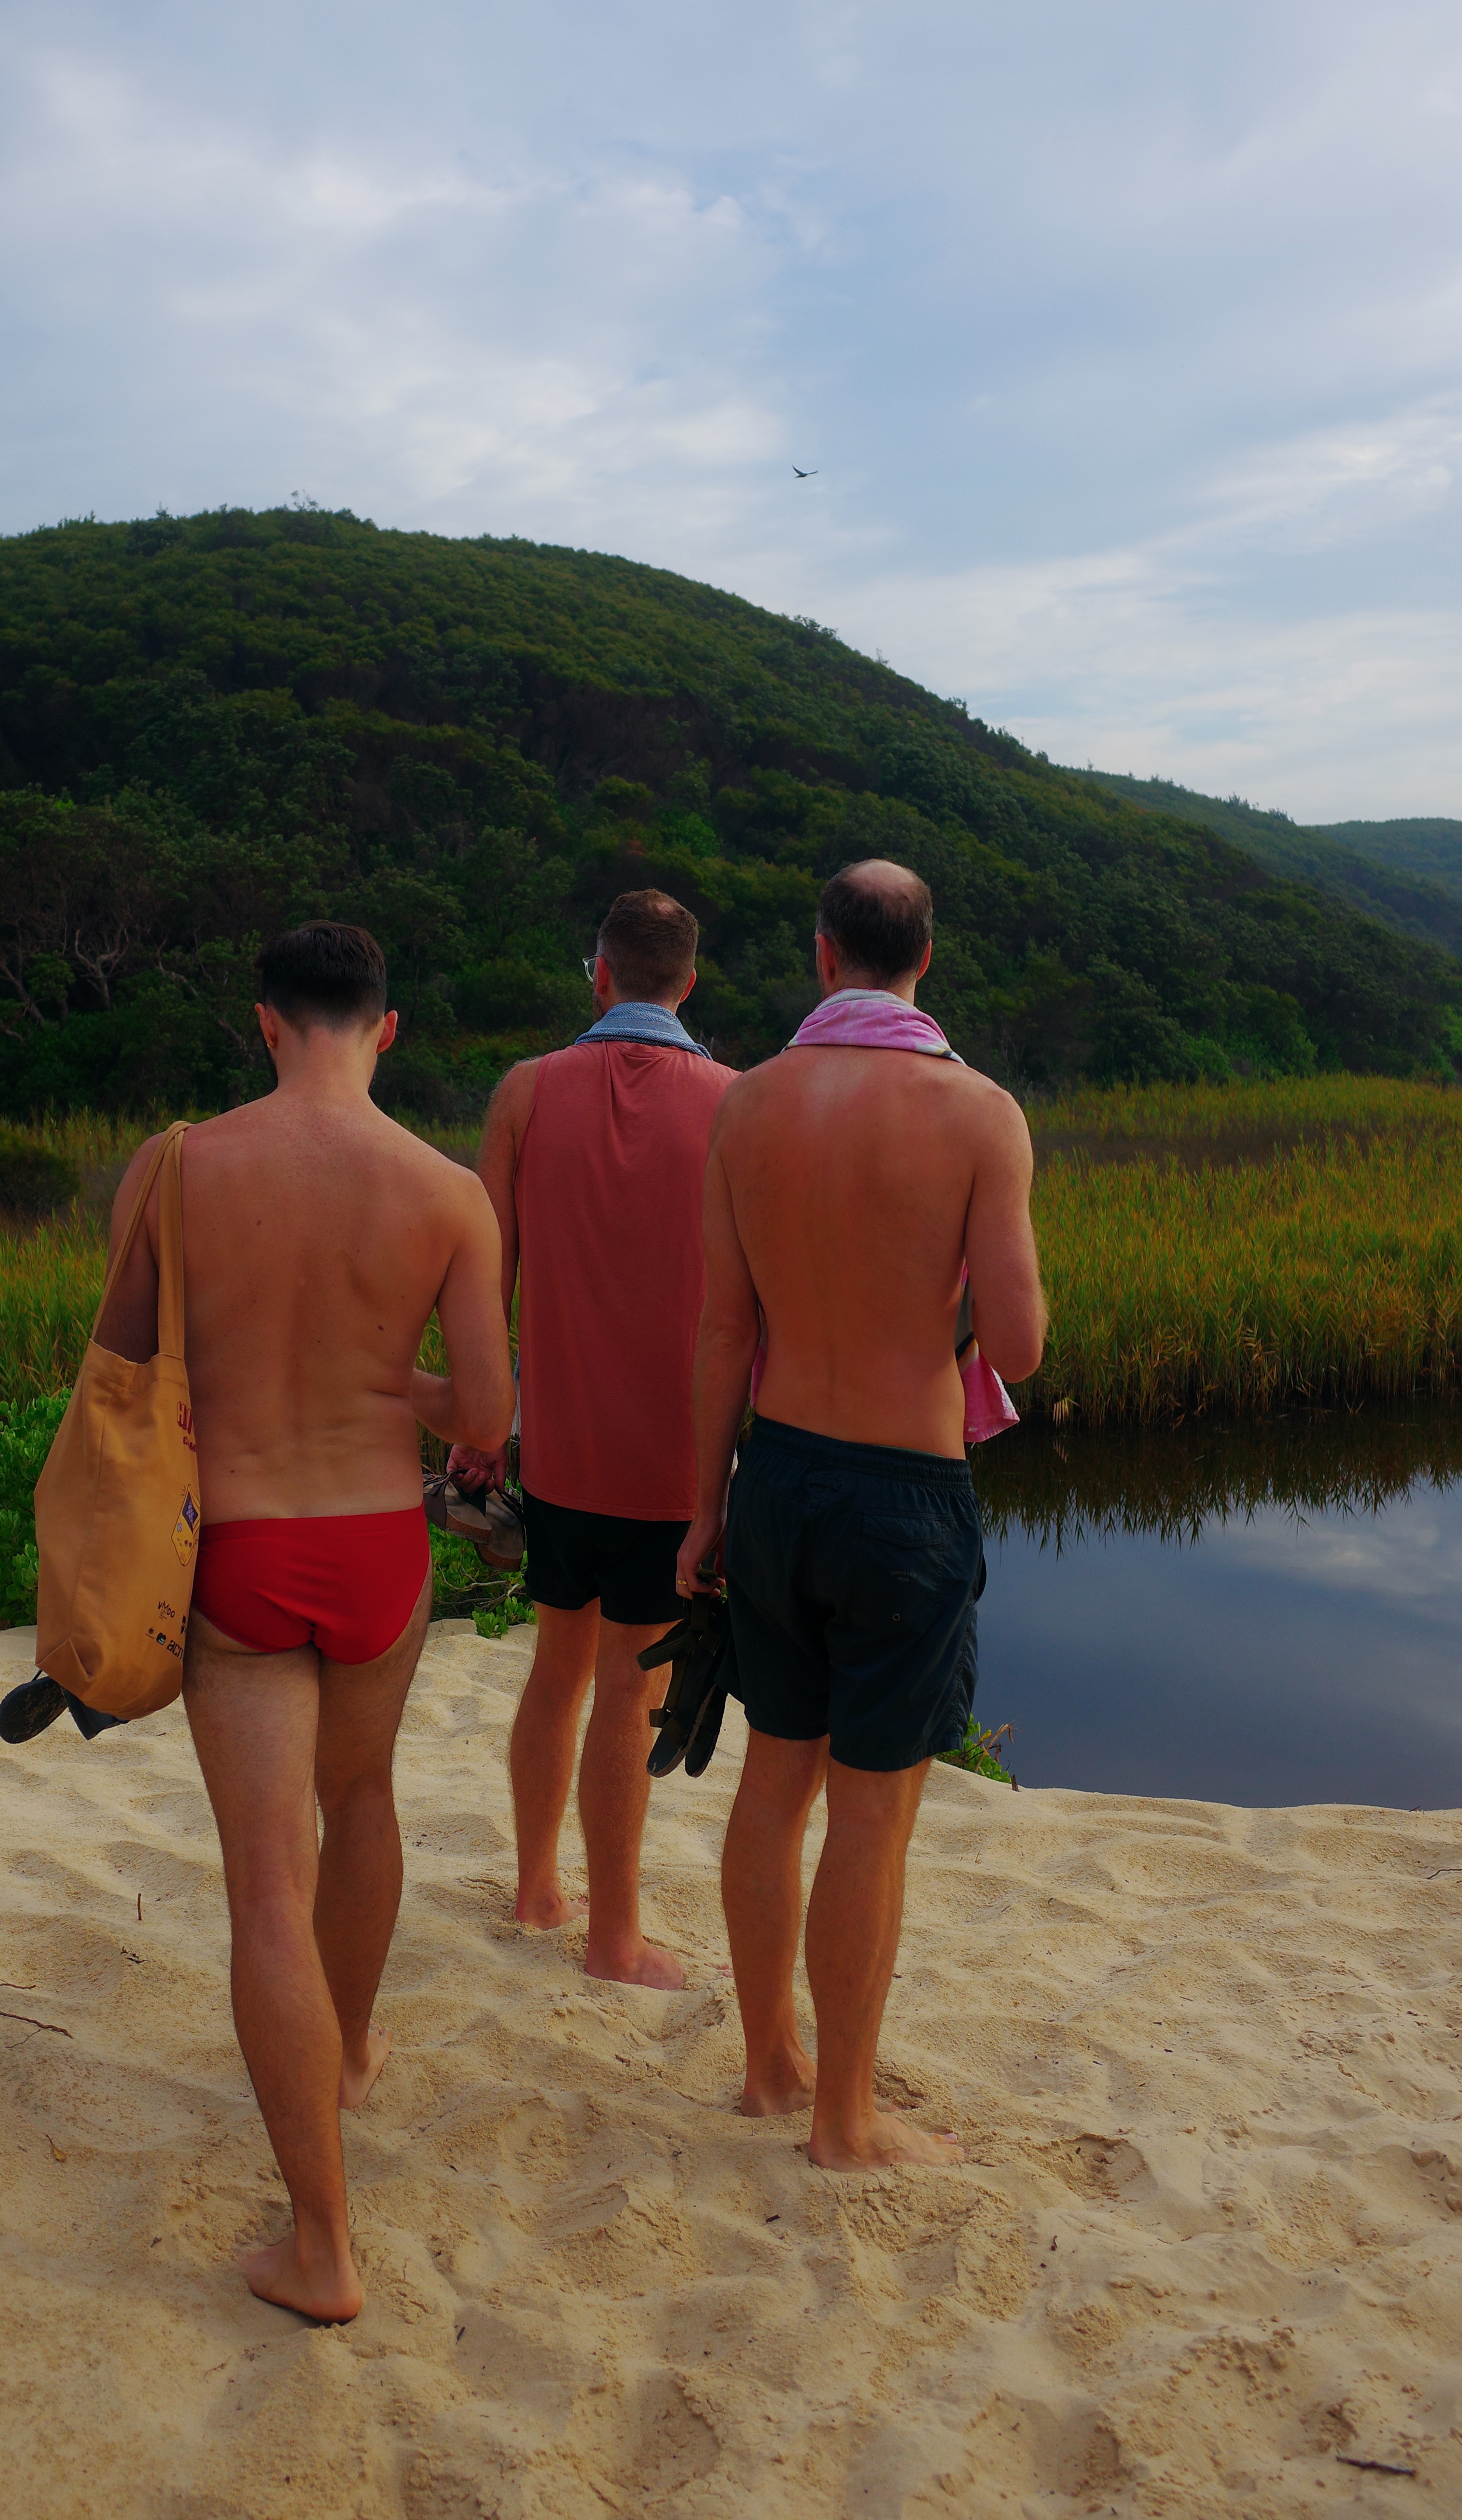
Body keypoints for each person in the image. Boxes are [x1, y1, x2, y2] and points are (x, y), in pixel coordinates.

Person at [96, 921, 514, 2323]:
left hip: (247, 1548)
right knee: (367, 1798)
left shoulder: (176, 1170)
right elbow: (493, 1423)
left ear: (263, 1022)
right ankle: (346, 2056)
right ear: (385, 1030)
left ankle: (322, 2248)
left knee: (267, 1883)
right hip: (380, 1547)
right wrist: (403, 1394)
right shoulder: (448, 1192)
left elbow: (124, 1369)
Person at [677, 860, 1045, 2172]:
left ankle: (770, 2069)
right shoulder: (981, 1115)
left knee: (775, 1779)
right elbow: (1020, 1340)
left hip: (773, 1479)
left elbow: (723, 1327)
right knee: (873, 1814)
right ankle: (845, 2121)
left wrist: (700, 1506)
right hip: (905, 1493)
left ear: (825, 957)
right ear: (925, 962)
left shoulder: (750, 1106)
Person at [448, 888, 736, 1989]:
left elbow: (485, 1282)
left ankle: (534, 1891)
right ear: (689, 984)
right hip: (674, 1459)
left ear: (600, 975)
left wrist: (488, 1430)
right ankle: (614, 1941)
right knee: (632, 1688)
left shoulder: (524, 1093)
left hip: (557, 1449)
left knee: (558, 1669)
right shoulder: (736, 1100)